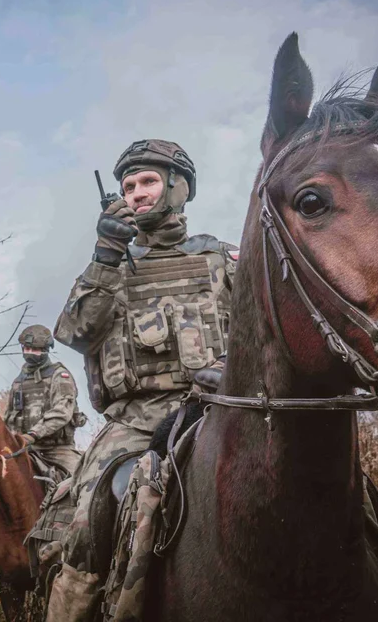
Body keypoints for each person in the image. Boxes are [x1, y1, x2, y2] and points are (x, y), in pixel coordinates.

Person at [45, 139, 237, 621]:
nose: (136, 193)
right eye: (128, 186)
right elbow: (74, 333)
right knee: (87, 522)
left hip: (220, 409)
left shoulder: (223, 259)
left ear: (179, 188)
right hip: (133, 421)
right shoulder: (107, 265)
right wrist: (106, 254)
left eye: (148, 181)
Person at [4, 324, 85, 478]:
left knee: (80, 482)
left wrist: (33, 434)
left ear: (45, 350)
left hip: (58, 451)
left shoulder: (60, 376)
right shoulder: (18, 382)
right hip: (24, 449)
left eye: (34, 349)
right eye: (26, 349)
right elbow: (9, 419)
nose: (29, 353)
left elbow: (62, 412)